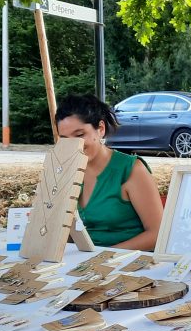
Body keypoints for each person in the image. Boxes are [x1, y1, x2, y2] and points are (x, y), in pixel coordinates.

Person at [55, 94, 163, 250]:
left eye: (79, 135)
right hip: (83, 259)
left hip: (128, 259)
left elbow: (157, 234)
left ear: (101, 129)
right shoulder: (67, 171)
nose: (74, 145)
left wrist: (105, 256)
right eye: (65, 139)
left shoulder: (131, 169)